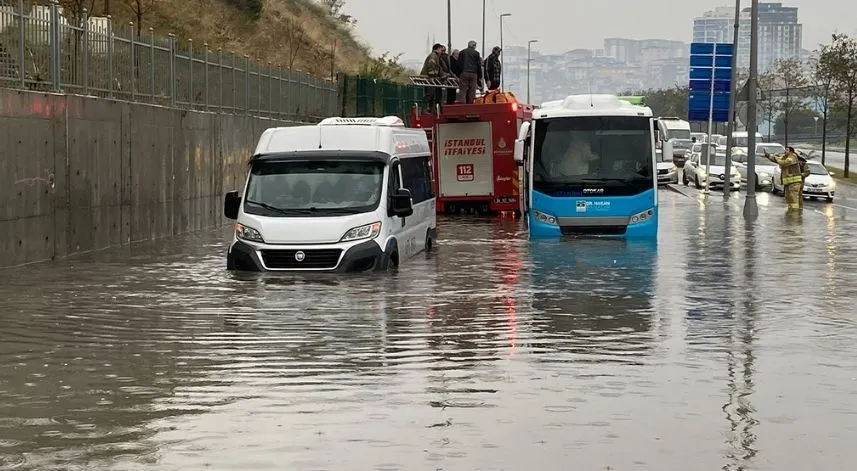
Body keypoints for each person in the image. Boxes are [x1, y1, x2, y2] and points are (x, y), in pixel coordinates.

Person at [765, 146, 803, 211]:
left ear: (791, 152)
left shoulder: (793, 157)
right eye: (785, 150)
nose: (785, 151)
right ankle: (790, 210)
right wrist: (768, 156)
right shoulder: (785, 157)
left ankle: (795, 212)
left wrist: (777, 158)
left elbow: (783, 163)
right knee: (788, 198)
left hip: (794, 182)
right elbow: (776, 159)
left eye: (787, 150)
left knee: (793, 198)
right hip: (788, 183)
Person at [420, 43, 448, 110]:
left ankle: (431, 108)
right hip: (428, 78)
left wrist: (444, 76)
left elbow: (439, 69)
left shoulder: (437, 57)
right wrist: (432, 76)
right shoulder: (433, 56)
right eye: (441, 50)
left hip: (430, 78)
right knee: (430, 94)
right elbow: (431, 66)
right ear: (437, 49)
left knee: (433, 94)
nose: (442, 52)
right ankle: (427, 108)